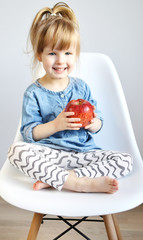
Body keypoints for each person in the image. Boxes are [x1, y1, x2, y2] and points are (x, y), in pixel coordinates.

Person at [8, 2, 133, 193]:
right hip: (50, 156)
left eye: (67, 53)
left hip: (84, 154)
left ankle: (60, 179)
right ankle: (77, 184)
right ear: (40, 55)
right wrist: (56, 125)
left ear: (75, 55)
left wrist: (93, 123)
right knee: (16, 152)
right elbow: (29, 133)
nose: (60, 60)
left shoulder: (81, 87)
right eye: (52, 53)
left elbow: (99, 122)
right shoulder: (33, 93)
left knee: (126, 161)